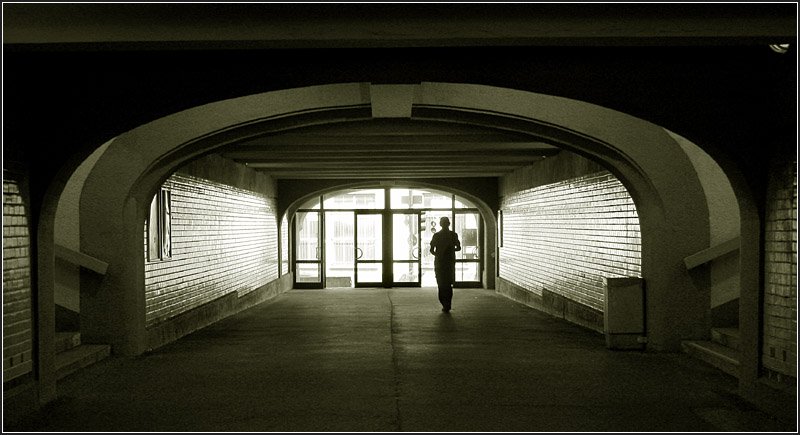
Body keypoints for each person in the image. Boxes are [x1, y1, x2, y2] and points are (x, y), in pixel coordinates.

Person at [429, 216, 461, 312]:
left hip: (439, 263)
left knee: (441, 284)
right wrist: (450, 250)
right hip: (450, 263)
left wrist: (439, 254)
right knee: (448, 284)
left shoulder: (437, 236)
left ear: (440, 224)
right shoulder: (453, 235)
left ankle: (444, 304)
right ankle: (448, 304)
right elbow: (459, 248)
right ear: (449, 224)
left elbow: (431, 250)